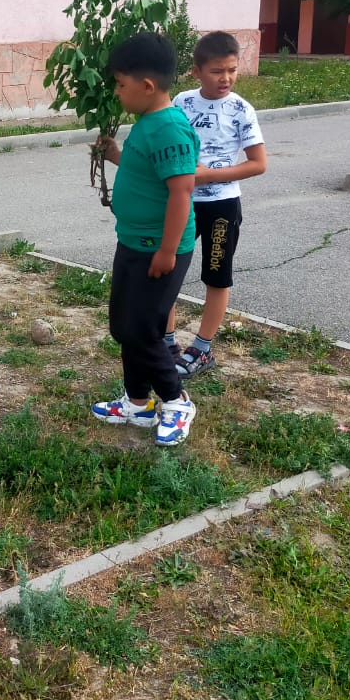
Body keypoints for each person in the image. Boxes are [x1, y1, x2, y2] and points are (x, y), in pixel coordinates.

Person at [90, 32, 201, 446]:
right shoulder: (148, 123)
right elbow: (148, 172)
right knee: (124, 326)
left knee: (143, 331)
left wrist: (168, 250)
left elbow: (181, 191)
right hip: (134, 243)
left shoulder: (169, 129)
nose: (117, 92)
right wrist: (116, 155)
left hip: (159, 250)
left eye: (121, 84)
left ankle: (176, 401)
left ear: (147, 86)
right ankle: (137, 402)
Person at [163, 31, 267, 378]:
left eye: (232, 70)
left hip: (222, 206)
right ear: (196, 71)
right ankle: (166, 345)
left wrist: (210, 176)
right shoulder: (181, 102)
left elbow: (258, 164)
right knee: (167, 270)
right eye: (217, 71)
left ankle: (202, 349)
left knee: (217, 276)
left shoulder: (241, 109)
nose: (225, 78)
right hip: (180, 203)